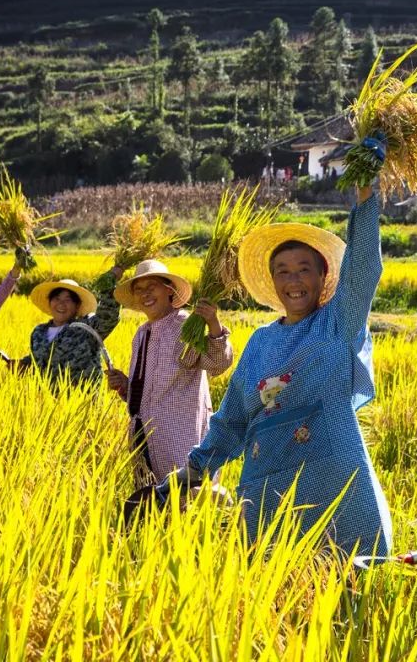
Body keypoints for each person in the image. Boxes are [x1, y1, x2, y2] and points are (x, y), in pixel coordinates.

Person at [129, 169, 394, 558]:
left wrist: (366, 196)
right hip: (266, 492)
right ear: (272, 282)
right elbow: (233, 418)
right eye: (283, 271)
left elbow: (364, 269)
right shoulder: (260, 342)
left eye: (305, 268)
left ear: (325, 277)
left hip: (335, 484)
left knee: (349, 592)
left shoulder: (338, 322)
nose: (294, 279)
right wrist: (196, 467)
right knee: (270, 599)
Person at [105, 260, 233, 486]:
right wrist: (126, 385)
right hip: (143, 436)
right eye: (139, 289)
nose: (145, 294)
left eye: (151, 286)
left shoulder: (185, 324)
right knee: (152, 505)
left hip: (179, 435)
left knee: (187, 499)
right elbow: (148, 391)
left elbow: (217, 364)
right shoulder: (141, 334)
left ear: (169, 290)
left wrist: (213, 323)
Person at [14, 266, 124, 387]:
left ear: (77, 306)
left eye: (68, 300)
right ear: (50, 302)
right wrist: (22, 364)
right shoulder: (38, 332)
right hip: (45, 402)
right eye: (57, 298)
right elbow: (37, 360)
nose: (61, 304)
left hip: (83, 402)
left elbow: (108, 318)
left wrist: (109, 282)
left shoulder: (86, 328)